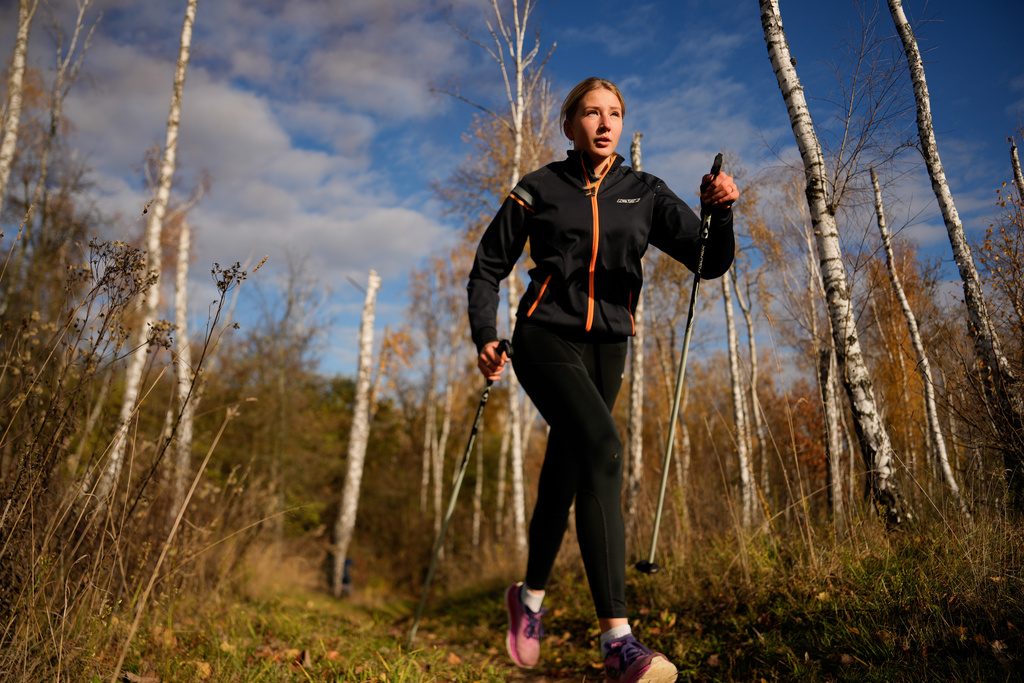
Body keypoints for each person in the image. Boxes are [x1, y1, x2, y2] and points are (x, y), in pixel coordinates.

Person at [466, 77, 738, 683]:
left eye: (614, 113)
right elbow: (486, 268)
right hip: (543, 338)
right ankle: (618, 640)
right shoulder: (538, 189)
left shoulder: (644, 192)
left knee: (566, 472)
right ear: (569, 125)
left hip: (609, 348)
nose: (605, 122)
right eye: (591, 112)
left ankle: (528, 599)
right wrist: (485, 332)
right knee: (604, 450)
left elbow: (709, 262)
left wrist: (721, 213)